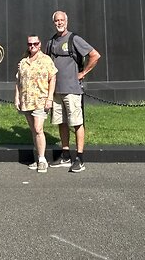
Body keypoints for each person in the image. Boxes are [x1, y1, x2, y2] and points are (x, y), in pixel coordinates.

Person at [45, 10, 101, 172]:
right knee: (61, 123)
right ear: (53, 22)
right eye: (57, 20)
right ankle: (65, 155)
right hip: (56, 91)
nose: (59, 23)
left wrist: (83, 73)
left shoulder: (74, 39)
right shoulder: (51, 42)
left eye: (62, 20)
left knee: (76, 123)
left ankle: (80, 158)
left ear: (66, 22)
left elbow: (95, 55)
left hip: (72, 90)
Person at [14, 33, 57, 173]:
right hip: (27, 100)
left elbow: (53, 78)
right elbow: (18, 81)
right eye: (30, 44)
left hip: (41, 100)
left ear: (40, 44)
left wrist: (50, 98)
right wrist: (17, 97)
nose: (32, 46)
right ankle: (38, 157)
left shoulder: (46, 60)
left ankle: (43, 160)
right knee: (33, 130)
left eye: (35, 44)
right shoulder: (23, 62)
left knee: (38, 129)